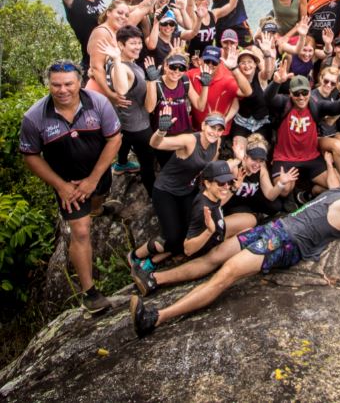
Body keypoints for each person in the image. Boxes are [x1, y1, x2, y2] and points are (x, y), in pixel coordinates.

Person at [129, 159, 340, 337]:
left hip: (285, 243)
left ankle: (155, 318)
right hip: (275, 228)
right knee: (214, 255)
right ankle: (156, 280)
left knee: (225, 274)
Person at [19, 59, 121, 312]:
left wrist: (93, 180)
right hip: (67, 184)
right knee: (81, 231)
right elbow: (30, 155)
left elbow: (114, 139)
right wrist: (61, 186)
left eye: (68, 84)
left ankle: (97, 207)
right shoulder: (34, 118)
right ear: (48, 85)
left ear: (79, 82)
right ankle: (90, 293)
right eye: (56, 85)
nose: (62, 90)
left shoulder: (98, 103)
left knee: (99, 197)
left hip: (97, 174)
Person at [128, 112, 225, 271]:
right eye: (212, 127)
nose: (215, 132)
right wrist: (160, 131)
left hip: (188, 190)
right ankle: (136, 255)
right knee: (172, 237)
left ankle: (155, 260)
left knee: (190, 234)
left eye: (219, 129)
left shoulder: (217, 141)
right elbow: (156, 144)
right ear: (203, 126)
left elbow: (210, 165)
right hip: (166, 190)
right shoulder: (189, 140)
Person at [265, 61, 340, 199]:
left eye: (304, 92)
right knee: (284, 190)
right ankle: (292, 194)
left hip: (311, 156)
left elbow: (337, 107)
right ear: (290, 93)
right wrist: (276, 83)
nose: (301, 97)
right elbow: (267, 99)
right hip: (285, 157)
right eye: (297, 93)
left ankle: (311, 193)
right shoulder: (284, 103)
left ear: (309, 91)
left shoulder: (315, 105)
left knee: (337, 186)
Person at [99, 26, 156, 193]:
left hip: (123, 121)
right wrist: (117, 59)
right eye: (133, 43)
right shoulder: (121, 67)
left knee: (124, 141)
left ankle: (121, 164)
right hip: (139, 126)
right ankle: (153, 194)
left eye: (139, 43)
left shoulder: (117, 63)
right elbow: (122, 89)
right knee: (147, 163)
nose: (138, 46)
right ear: (121, 45)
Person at [187, 45, 252, 139]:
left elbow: (247, 92)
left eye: (214, 62)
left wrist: (234, 68)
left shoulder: (227, 78)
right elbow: (175, 75)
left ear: (220, 63)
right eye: (207, 61)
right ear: (200, 60)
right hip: (197, 130)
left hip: (219, 131)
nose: (210, 65)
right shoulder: (192, 74)